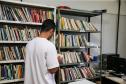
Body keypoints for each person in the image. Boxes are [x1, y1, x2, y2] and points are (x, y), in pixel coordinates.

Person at [24, 19, 60, 84]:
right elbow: (52, 70)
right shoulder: (50, 45)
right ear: (51, 31)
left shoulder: (28, 44)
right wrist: (58, 61)